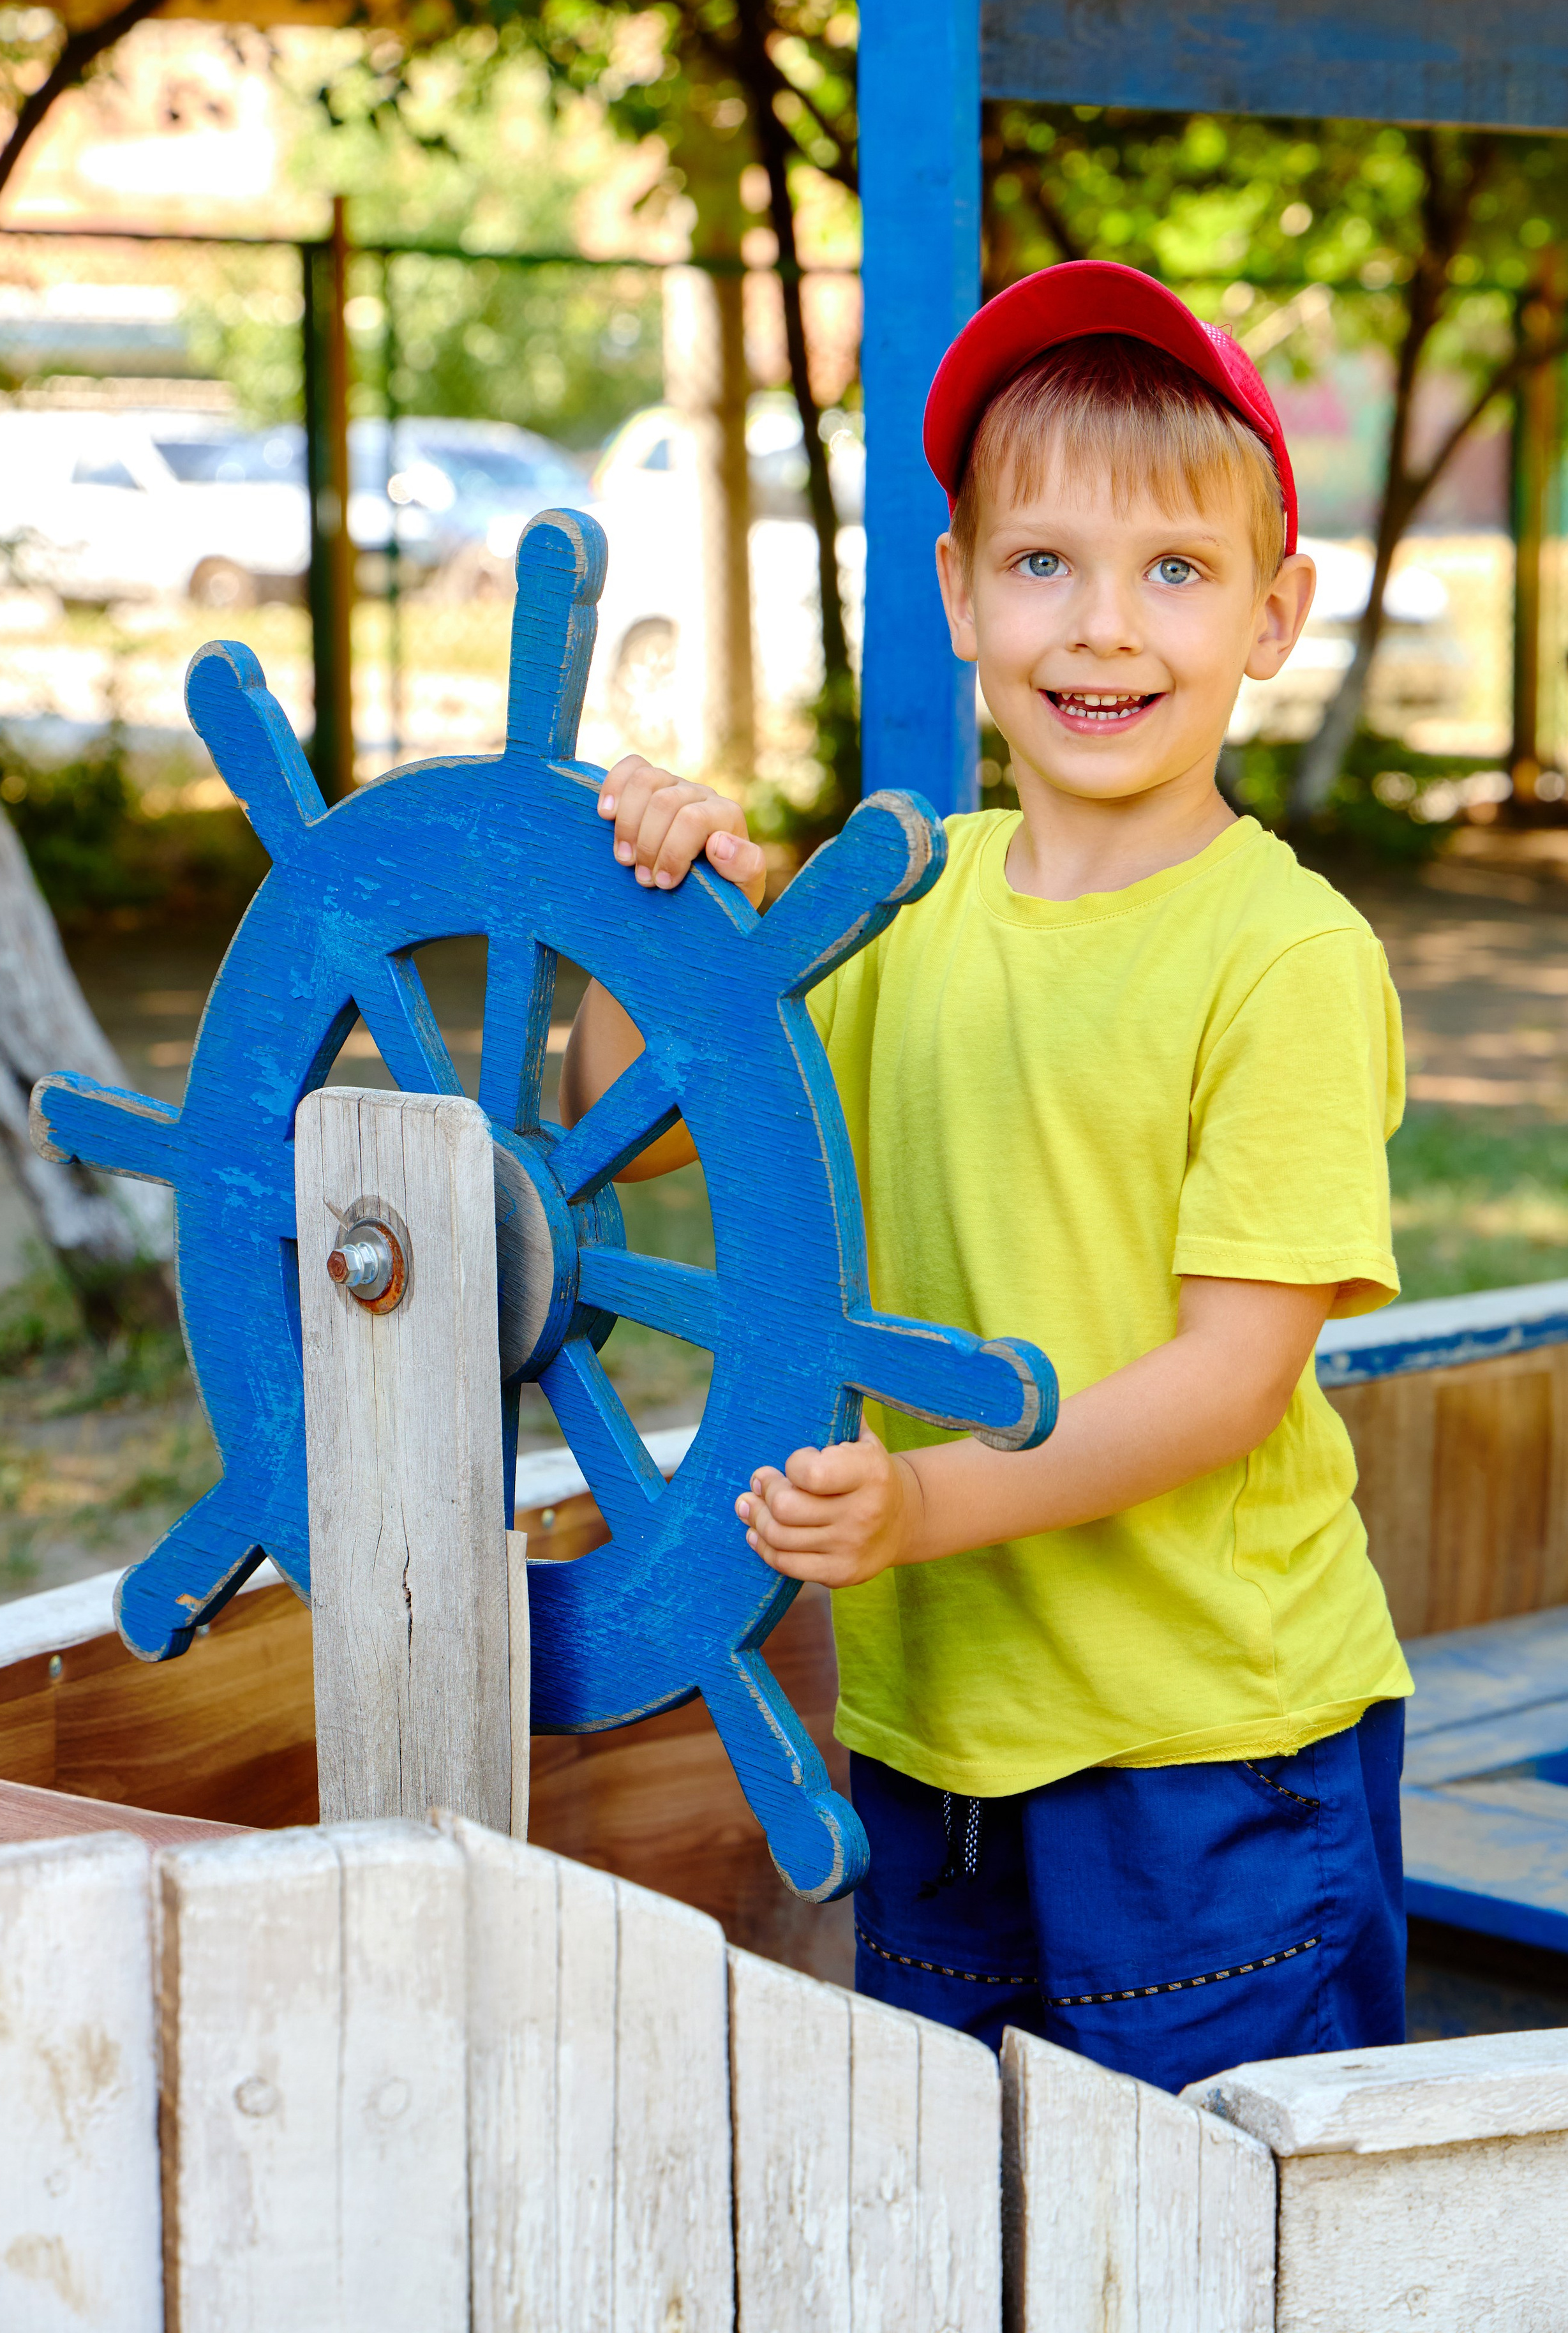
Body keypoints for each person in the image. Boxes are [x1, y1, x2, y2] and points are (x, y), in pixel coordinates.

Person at [560, 259, 1412, 2096]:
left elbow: (1229, 1380)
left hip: (1208, 1754)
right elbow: (654, 1116)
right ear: (958, 596)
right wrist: (673, 915)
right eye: (1043, 564)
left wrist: (924, 1510)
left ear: (1274, 616)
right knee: (989, 2213)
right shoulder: (900, 905)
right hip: (940, 1737)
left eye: (1175, 572)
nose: (1104, 628)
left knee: (1240, 2226)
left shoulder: (1285, 956)